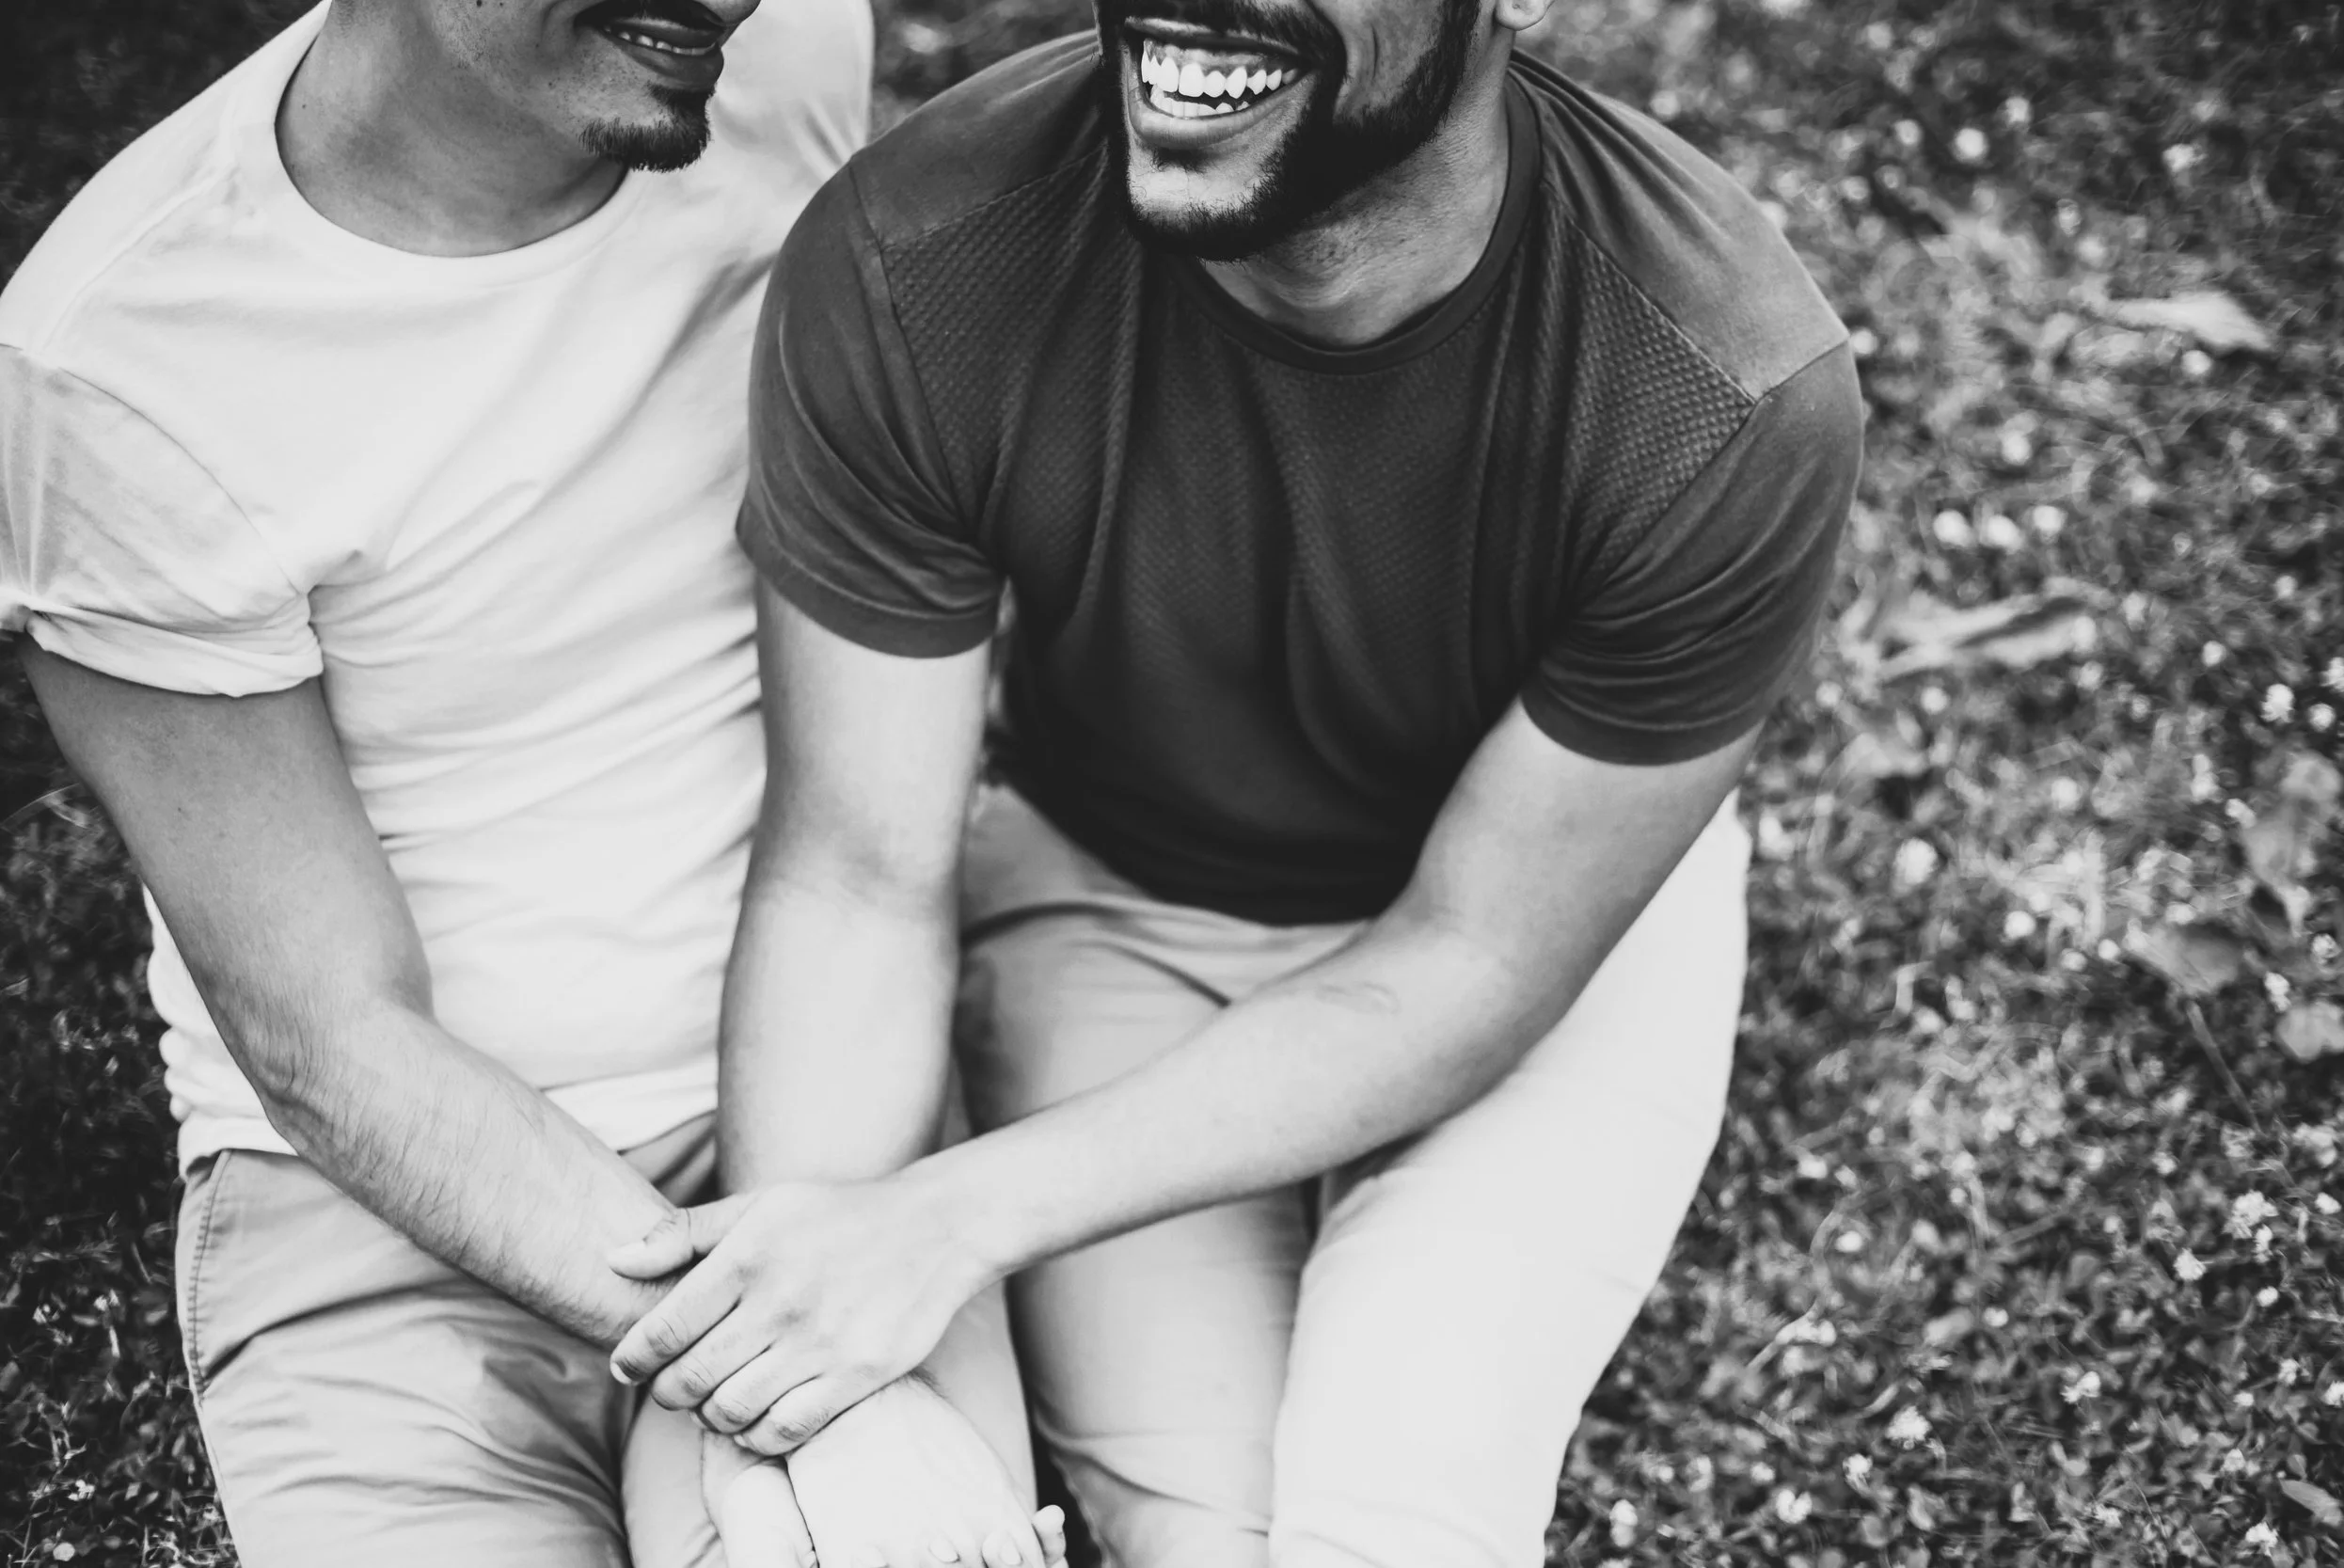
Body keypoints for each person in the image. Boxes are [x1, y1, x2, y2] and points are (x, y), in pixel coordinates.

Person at [606, 0, 1866, 1562]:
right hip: (1111, 895)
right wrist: (826, 1389)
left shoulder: (1719, 381)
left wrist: (955, 1214)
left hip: (1541, 946)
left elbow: (1476, 953)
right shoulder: (916, 254)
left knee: (1395, 1530)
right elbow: (855, 877)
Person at [0, 3, 1065, 1564]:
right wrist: (812, 1387)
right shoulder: (116, 362)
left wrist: (827, 1300)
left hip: (817, 1097)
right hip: (384, 1206)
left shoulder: (787, 55)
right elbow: (327, 1034)